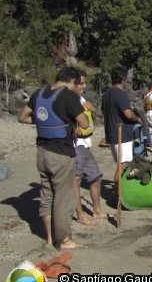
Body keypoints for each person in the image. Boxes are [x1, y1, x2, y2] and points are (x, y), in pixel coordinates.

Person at [17, 66, 89, 250]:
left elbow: (22, 117)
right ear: (71, 81)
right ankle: (64, 240)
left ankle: (49, 238)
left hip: (42, 151)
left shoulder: (40, 93)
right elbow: (84, 123)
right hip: (61, 153)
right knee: (63, 197)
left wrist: (42, 122)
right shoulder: (68, 96)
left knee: (47, 195)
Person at [70, 70, 112, 226]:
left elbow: (92, 113)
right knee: (76, 181)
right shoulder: (67, 99)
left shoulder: (80, 99)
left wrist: (92, 108)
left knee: (96, 177)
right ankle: (80, 215)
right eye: (81, 83)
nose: (84, 86)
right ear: (72, 82)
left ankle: (97, 210)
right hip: (75, 146)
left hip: (86, 144)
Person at [101, 67, 143, 186]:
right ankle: (117, 192)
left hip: (111, 132)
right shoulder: (119, 94)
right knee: (123, 164)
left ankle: (119, 189)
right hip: (121, 134)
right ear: (123, 79)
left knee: (122, 163)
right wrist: (137, 118)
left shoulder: (107, 94)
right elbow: (128, 114)